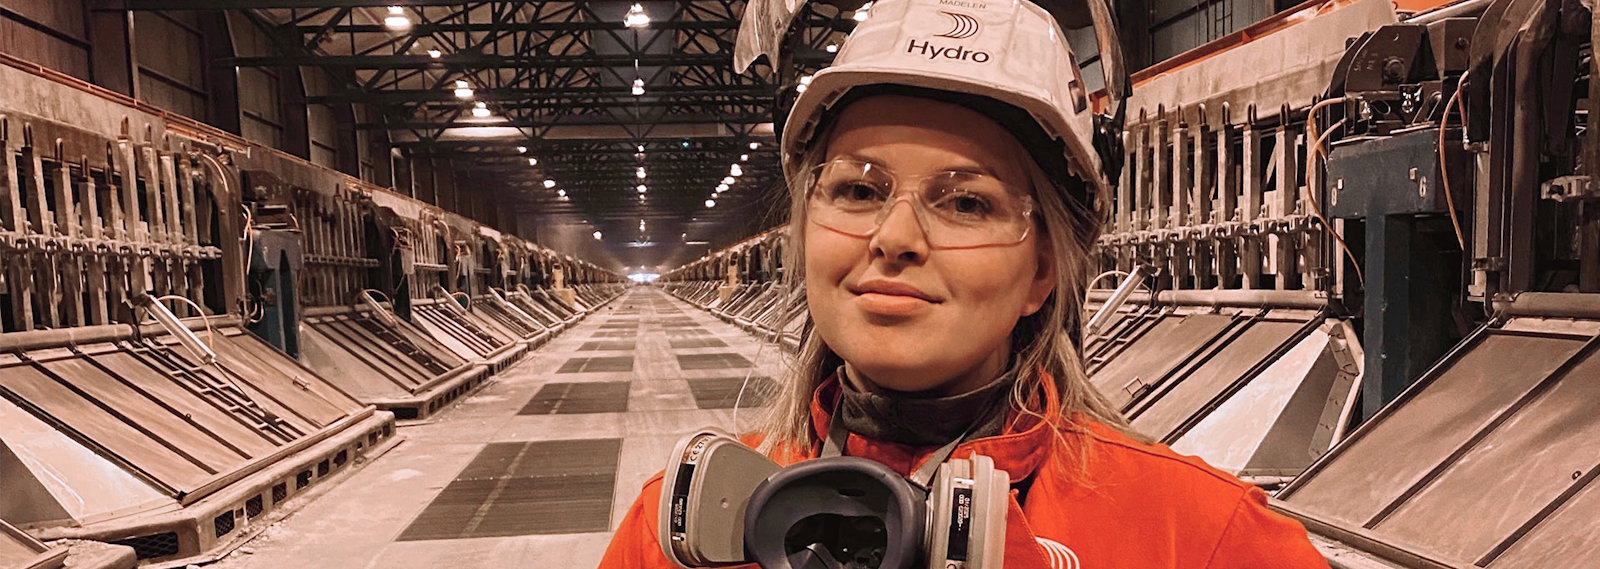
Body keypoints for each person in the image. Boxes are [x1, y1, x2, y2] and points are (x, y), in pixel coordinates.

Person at [602, 0, 1329, 566]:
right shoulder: (671, 538)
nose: (894, 238)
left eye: (966, 202)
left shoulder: (1202, 539)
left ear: (1043, 270)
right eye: (857, 191)